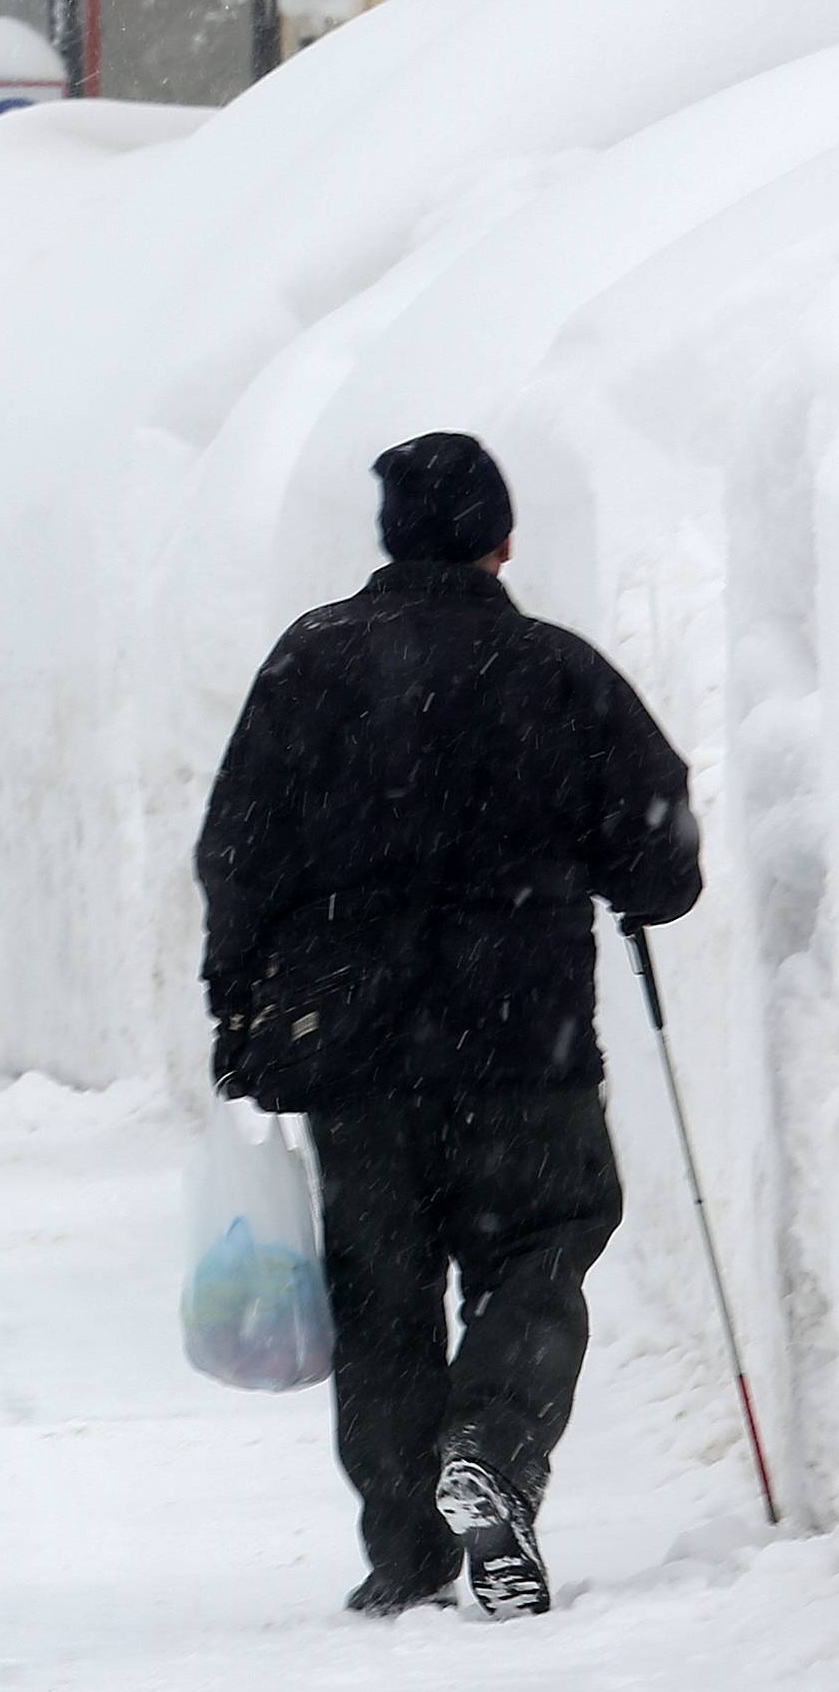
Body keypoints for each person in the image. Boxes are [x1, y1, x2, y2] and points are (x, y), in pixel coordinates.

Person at [194, 433, 702, 1622]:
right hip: (523, 1042)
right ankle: (495, 1445)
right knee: (544, 1245)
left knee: (382, 1289)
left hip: (355, 1050)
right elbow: (660, 846)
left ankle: (409, 1553)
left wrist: (240, 1000)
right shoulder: (553, 670)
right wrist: (633, 877)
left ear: (390, 537)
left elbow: (238, 850)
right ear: (501, 539)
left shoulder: (310, 666)